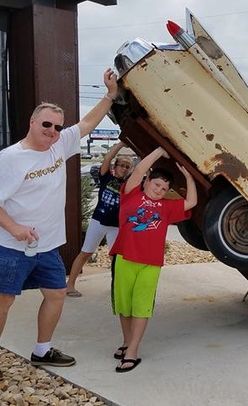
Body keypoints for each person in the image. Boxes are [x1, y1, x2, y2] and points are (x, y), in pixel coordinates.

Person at [0, 68, 120, 383]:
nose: (52, 131)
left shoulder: (60, 144)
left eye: (57, 126)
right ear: (33, 122)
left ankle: (42, 350)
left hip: (46, 244)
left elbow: (88, 123)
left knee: (56, 293)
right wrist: (14, 228)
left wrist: (110, 94)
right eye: (46, 124)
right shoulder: (10, 159)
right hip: (9, 245)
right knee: (4, 300)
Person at [109, 146, 197, 373]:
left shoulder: (166, 207)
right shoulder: (131, 195)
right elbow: (138, 171)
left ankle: (132, 351)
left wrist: (187, 177)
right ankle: (126, 341)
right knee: (124, 307)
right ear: (147, 181)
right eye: (157, 185)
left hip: (150, 264)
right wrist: (159, 151)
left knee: (141, 308)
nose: (160, 190)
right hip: (125, 258)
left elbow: (191, 203)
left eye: (165, 188)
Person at [66, 141, 133, 297]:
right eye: (121, 165)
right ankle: (70, 285)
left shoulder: (129, 185)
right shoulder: (106, 178)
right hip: (98, 222)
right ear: (115, 167)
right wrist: (121, 144)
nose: (123, 168)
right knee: (85, 253)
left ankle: (117, 287)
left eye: (127, 166)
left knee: (115, 257)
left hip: (115, 226)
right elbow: (107, 158)